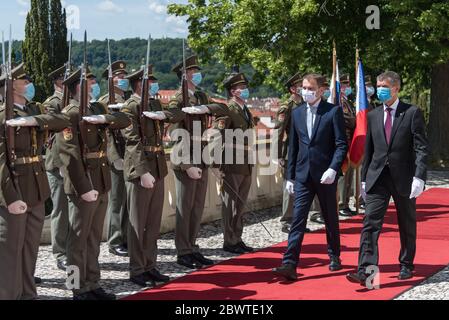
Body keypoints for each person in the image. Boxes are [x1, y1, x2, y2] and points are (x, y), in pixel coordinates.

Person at [346, 71, 428, 285]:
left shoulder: (412, 113)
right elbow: (369, 151)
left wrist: (419, 177)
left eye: (384, 86)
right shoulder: (373, 115)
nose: (380, 89)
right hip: (377, 177)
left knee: (406, 223)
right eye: (378, 85)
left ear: (396, 88)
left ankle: (406, 264)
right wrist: (364, 179)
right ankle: (367, 271)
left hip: (404, 178)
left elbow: (421, 148)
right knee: (370, 224)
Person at [57, 68, 129, 300]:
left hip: (100, 180)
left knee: (93, 237)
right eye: (90, 82)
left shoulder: (96, 108)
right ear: (78, 87)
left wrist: (104, 118)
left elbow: (124, 119)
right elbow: (69, 156)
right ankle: (76, 287)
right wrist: (84, 187)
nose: (94, 85)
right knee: (77, 239)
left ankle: (92, 282)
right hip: (83, 184)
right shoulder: (69, 114)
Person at [0, 63, 70, 300]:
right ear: (11, 86)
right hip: (16, 189)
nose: (29, 83)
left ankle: (28, 294)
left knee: (30, 250)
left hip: (36, 188)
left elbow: (61, 120)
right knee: (11, 252)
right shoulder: (2, 115)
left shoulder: (34, 110)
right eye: (24, 79)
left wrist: (35, 122)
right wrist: (11, 197)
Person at [272, 73, 348, 281]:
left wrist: (333, 169)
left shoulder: (333, 112)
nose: (305, 91)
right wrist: (290, 177)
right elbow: (294, 147)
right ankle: (290, 263)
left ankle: (334, 255)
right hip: (303, 176)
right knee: (298, 219)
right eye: (303, 88)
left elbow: (341, 144)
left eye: (310, 88)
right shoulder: (296, 113)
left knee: (330, 217)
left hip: (326, 175)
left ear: (321, 90)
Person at [122, 65, 184, 287]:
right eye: (152, 82)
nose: (155, 85)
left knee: (153, 221)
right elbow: (132, 141)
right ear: (140, 84)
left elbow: (178, 113)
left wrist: (162, 114)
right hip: (143, 170)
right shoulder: (130, 108)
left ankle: (150, 265)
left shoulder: (154, 104)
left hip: (157, 167)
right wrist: (143, 172)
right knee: (138, 223)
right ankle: (137, 269)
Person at [169, 55, 230, 268]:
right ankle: (183, 251)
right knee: (185, 208)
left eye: (197, 70)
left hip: (201, 157)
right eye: (193, 71)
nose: (197, 74)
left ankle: (193, 247)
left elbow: (223, 109)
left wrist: (206, 109)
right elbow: (175, 133)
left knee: (197, 208)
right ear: (184, 75)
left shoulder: (202, 96)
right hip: (187, 159)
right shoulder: (178, 99)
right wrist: (187, 164)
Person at [212, 71, 256, 254]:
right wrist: (216, 164)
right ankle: (229, 241)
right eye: (242, 88)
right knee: (230, 204)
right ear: (233, 92)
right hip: (231, 162)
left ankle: (237, 238)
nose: (245, 91)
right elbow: (217, 136)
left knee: (240, 204)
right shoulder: (227, 109)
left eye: (246, 88)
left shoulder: (245, 110)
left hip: (246, 161)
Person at [98, 60, 130, 257]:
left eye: (124, 76)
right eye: (119, 76)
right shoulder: (104, 102)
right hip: (116, 155)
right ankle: (115, 239)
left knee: (128, 200)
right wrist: (114, 156)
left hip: (130, 155)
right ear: (110, 80)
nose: (123, 79)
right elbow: (106, 133)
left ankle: (126, 237)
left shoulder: (127, 101)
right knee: (117, 200)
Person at [274, 72, 312, 233]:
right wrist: (278, 156)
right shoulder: (287, 107)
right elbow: (279, 132)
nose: (303, 89)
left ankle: (299, 220)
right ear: (292, 89)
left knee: (303, 187)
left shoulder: (306, 104)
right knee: (290, 187)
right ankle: (287, 220)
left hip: (305, 151)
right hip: (291, 151)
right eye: (300, 86)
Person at [43, 65, 70, 271]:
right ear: (59, 81)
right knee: (60, 208)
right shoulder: (53, 103)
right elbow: (57, 136)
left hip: (73, 162)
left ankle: (73, 248)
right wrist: (61, 164)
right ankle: (60, 252)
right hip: (58, 163)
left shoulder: (71, 102)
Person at [338, 74, 357, 217]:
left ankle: (346, 202)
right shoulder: (337, 102)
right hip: (343, 142)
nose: (347, 87)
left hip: (350, 142)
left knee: (349, 175)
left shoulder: (346, 102)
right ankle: (341, 204)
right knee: (344, 175)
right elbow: (349, 121)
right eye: (344, 85)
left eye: (348, 85)